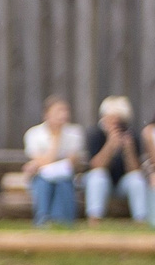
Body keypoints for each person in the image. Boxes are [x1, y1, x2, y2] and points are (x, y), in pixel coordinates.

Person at [21, 94, 84, 227]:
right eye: (58, 111)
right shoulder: (34, 134)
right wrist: (56, 138)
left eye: (65, 111)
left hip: (66, 178)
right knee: (44, 182)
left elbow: (71, 163)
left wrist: (40, 163)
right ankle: (42, 221)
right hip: (40, 178)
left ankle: (63, 223)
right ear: (46, 114)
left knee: (62, 182)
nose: (63, 115)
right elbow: (42, 162)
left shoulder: (75, 133)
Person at [82, 96, 145, 224]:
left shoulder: (132, 136)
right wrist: (110, 146)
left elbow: (135, 170)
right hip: (101, 182)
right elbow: (95, 166)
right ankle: (94, 218)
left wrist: (129, 150)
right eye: (111, 119)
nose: (115, 124)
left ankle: (141, 220)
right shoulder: (95, 134)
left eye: (119, 120)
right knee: (97, 176)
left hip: (122, 184)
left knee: (137, 180)